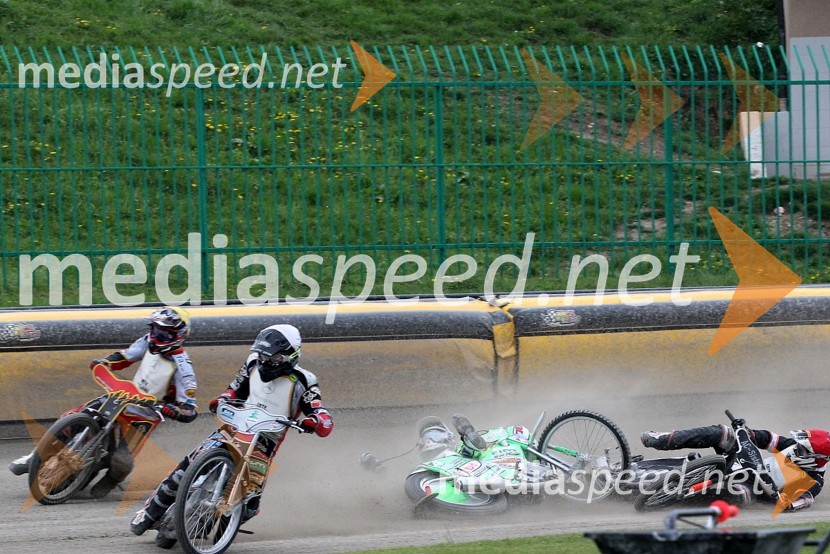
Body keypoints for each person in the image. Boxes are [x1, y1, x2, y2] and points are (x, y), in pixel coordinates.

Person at [130, 323, 333, 536]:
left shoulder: (305, 380)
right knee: (185, 468)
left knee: (251, 505)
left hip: (264, 443)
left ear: (289, 356)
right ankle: (149, 513)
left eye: (271, 358)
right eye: (262, 356)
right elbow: (234, 389)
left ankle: (217, 527)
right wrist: (223, 399)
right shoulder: (252, 362)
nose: (264, 362)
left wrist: (316, 421)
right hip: (234, 428)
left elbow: (320, 414)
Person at [9, 306, 197, 499]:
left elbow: (190, 410)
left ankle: (112, 479)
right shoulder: (147, 341)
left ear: (179, 335)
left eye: (164, 332)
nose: (157, 335)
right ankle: (35, 455)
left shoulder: (184, 369)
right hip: (122, 396)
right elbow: (125, 357)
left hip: (145, 415)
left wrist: (171, 409)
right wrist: (105, 362)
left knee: (122, 460)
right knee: (72, 418)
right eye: (155, 329)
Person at [641, 423, 830, 511]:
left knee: (739, 494)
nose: (795, 448)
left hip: (753, 489)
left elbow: (801, 501)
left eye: (802, 450)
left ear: (816, 459)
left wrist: (787, 502)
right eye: (798, 445)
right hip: (745, 462)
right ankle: (661, 439)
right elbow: (767, 438)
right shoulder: (792, 446)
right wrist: (749, 432)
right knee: (724, 433)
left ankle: (677, 499)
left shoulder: (814, 482)